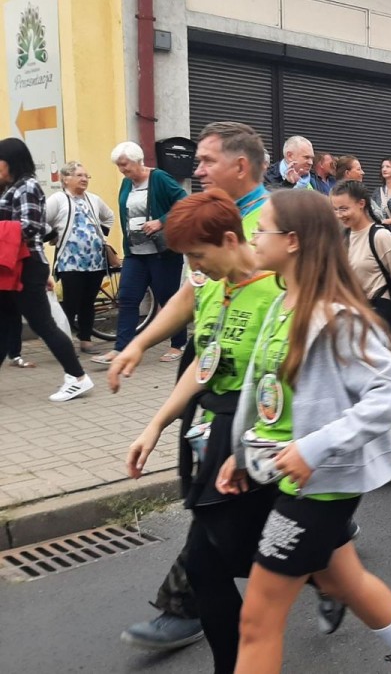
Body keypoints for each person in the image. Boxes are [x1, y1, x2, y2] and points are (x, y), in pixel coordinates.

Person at [216, 189, 391, 674]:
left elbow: (390, 392)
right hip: (290, 475)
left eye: (261, 230)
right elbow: (269, 396)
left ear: (293, 240)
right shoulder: (281, 304)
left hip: (319, 486)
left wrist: (315, 448)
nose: (253, 238)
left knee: (257, 620)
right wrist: (242, 452)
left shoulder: (338, 317)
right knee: (344, 581)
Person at [117, 190, 290, 672]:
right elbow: (203, 365)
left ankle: (324, 569)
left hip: (257, 439)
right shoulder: (214, 287)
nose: (194, 267)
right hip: (213, 436)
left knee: (232, 559)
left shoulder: (279, 291)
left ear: (231, 240)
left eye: (197, 255)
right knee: (210, 562)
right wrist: (155, 424)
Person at [0, 138, 93, 400]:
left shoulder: (27, 185)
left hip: (26, 265)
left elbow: (31, 227)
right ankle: (77, 376)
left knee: (42, 324)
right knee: (4, 324)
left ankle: (78, 377)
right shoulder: (10, 188)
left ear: (11, 161)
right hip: (14, 265)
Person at [93, 141, 189, 365]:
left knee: (168, 299)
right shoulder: (126, 184)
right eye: (119, 166)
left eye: (125, 164)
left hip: (162, 253)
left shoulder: (159, 178)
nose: (122, 170)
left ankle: (178, 344)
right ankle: (121, 349)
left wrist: (161, 221)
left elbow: (184, 201)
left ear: (138, 160)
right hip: (135, 253)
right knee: (127, 298)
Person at [331, 180, 391, 348]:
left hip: (379, 310)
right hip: (353, 312)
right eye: (335, 209)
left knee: (368, 358)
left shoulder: (381, 237)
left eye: (344, 209)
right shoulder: (343, 237)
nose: (339, 215)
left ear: (361, 204)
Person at [46, 160, 116, 355]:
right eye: (79, 175)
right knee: (71, 302)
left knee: (88, 302)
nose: (84, 179)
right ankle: (65, 343)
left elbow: (109, 216)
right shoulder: (58, 199)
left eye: (86, 176)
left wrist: (100, 234)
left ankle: (85, 340)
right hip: (70, 262)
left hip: (95, 261)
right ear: (65, 179)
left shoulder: (93, 199)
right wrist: (52, 236)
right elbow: (41, 221)